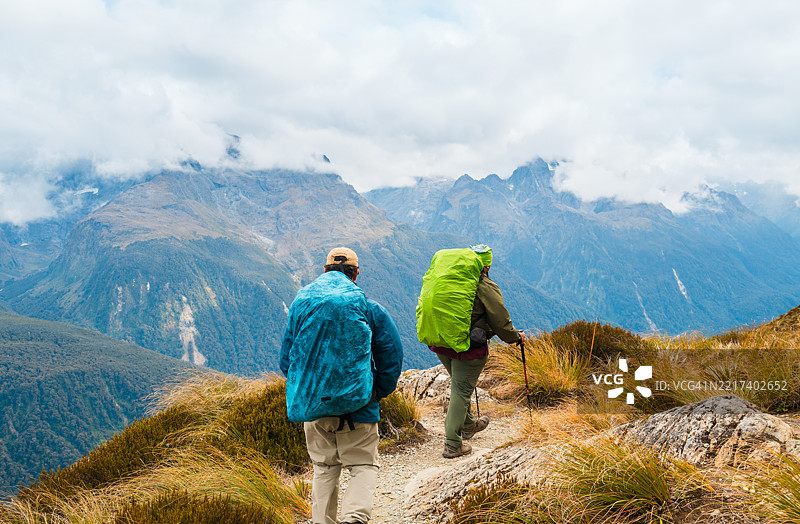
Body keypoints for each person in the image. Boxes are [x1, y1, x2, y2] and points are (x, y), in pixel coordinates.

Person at [280, 247, 403, 524]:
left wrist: (309, 388)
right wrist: (373, 392)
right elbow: (391, 355)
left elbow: (287, 359)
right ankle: (354, 519)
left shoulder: (302, 306)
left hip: (314, 406)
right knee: (362, 465)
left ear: (325, 271)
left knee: (324, 468)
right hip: (359, 406)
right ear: (356, 274)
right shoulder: (369, 308)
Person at [428, 245, 525, 459]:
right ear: (487, 265)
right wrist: (514, 338)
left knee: (460, 385)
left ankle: (470, 424)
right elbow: (500, 320)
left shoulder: (448, 280)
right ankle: (453, 444)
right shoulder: (484, 285)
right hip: (468, 348)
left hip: (442, 343)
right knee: (461, 390)